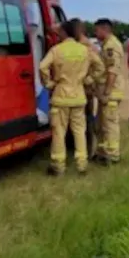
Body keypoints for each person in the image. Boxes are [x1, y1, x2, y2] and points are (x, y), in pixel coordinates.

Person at [39, 20, 91, 176]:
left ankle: (58, 166)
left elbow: (42, 66)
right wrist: (88, 80)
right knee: (79, 131)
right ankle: (82, 164)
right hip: (79, 96)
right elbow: (99, 66)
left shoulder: (56, 50)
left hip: (60, 97)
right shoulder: (84, 50)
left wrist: (48, 83)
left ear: (64, 32)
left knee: (59, 132)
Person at [94, 18, 126, 165]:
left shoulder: (111, 46)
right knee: (101, 124)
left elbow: (112, 71)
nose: (95, 34)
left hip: (111, 93)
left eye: (97, 30)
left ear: (104, 29)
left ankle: (113, 154)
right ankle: (102, 152)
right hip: (106, 92)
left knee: (110, 124)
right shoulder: (106, 45)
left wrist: (107, 92)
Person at [75, 20, 104, 160]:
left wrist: (88, 81)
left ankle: (87, 150)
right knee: (86, 120)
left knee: (86, 120)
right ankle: (87, 149)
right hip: (84, 87)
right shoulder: (90, 46)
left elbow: (98, 67)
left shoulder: (85, 46)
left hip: (84, 89)